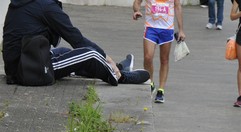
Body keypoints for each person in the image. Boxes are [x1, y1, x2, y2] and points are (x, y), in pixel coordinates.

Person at [2, 0, 149, 86]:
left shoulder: (25, 2)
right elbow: (76, 39)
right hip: (31, 71)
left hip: (21, 65)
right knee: (89, 54)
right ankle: (120, 76)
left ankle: (117, 67)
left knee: (65, 53)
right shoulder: (45, 6)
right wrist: (106, 56)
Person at [133, 0, 185, 104]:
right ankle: (150, 83)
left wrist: (181, 30)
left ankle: (161, 90)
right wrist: (136, 11)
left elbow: (177, 6)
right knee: (148, 57)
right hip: (150, 28)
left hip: (167, 28)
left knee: (164, 59)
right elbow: (137, 2)